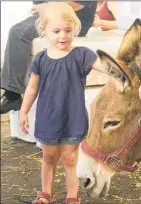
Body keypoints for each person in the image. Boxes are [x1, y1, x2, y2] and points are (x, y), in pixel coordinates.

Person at [19, 2, 107, 204]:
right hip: (48, 118)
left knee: (70, 159)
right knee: (49, 158)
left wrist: (120, 71)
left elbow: (102, 66)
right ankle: (46, 193)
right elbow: (32, 88)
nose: (63, 36)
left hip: (73, 118)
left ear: (75, 29)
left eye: (68, 30)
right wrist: (24, 111)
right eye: (56, 31)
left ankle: (72, 197)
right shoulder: (41, 59)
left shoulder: (81, 55)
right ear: (44, 30)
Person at [0, 1, 97, 114]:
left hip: (70, 16)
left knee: (18, 32)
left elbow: (79, 4)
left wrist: (47, 7)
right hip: (51, 14)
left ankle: (13, 95)